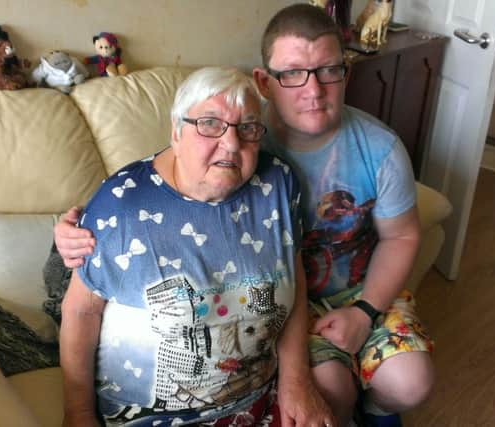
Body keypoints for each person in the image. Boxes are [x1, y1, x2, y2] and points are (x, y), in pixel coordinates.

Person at [54, 4, 435, 426]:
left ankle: (378, 412)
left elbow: (393, 240)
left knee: (405, 383)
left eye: (329, 70)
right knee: (333, 389)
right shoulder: (140, 191)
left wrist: (360, 316)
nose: (313, 90)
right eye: (293, 73)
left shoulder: (307, 169)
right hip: (217, 363)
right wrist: (72, 229)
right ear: (266, 81)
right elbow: (90, 284)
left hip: (339, 303)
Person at [58, 66, 335, 427]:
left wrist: (295, 381)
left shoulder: (277, 185)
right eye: (210, 123)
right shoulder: (118, 207)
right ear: (176, 132)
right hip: (152, 417)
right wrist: (77, 414)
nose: (232, 143)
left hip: (258, 397)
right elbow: (80, 312)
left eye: (247, 128)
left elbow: (293, 282)